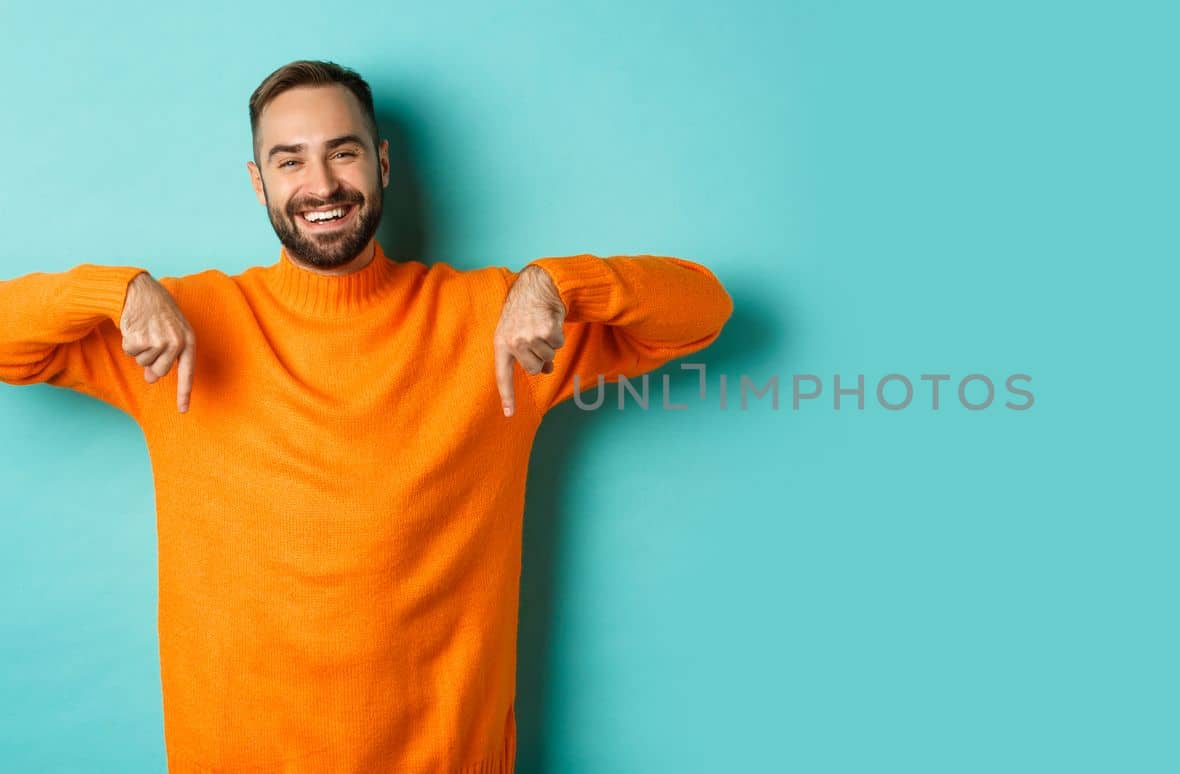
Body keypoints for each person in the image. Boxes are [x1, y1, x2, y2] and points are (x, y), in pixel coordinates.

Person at [0, 59, 733, 772]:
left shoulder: (498, 321)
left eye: (342, 153)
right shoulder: (180, 327)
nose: (320, 185)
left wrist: (557, 284)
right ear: (258, 184)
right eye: (289, 162)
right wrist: (117, 290)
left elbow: (702, 309)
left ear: (381, 163)